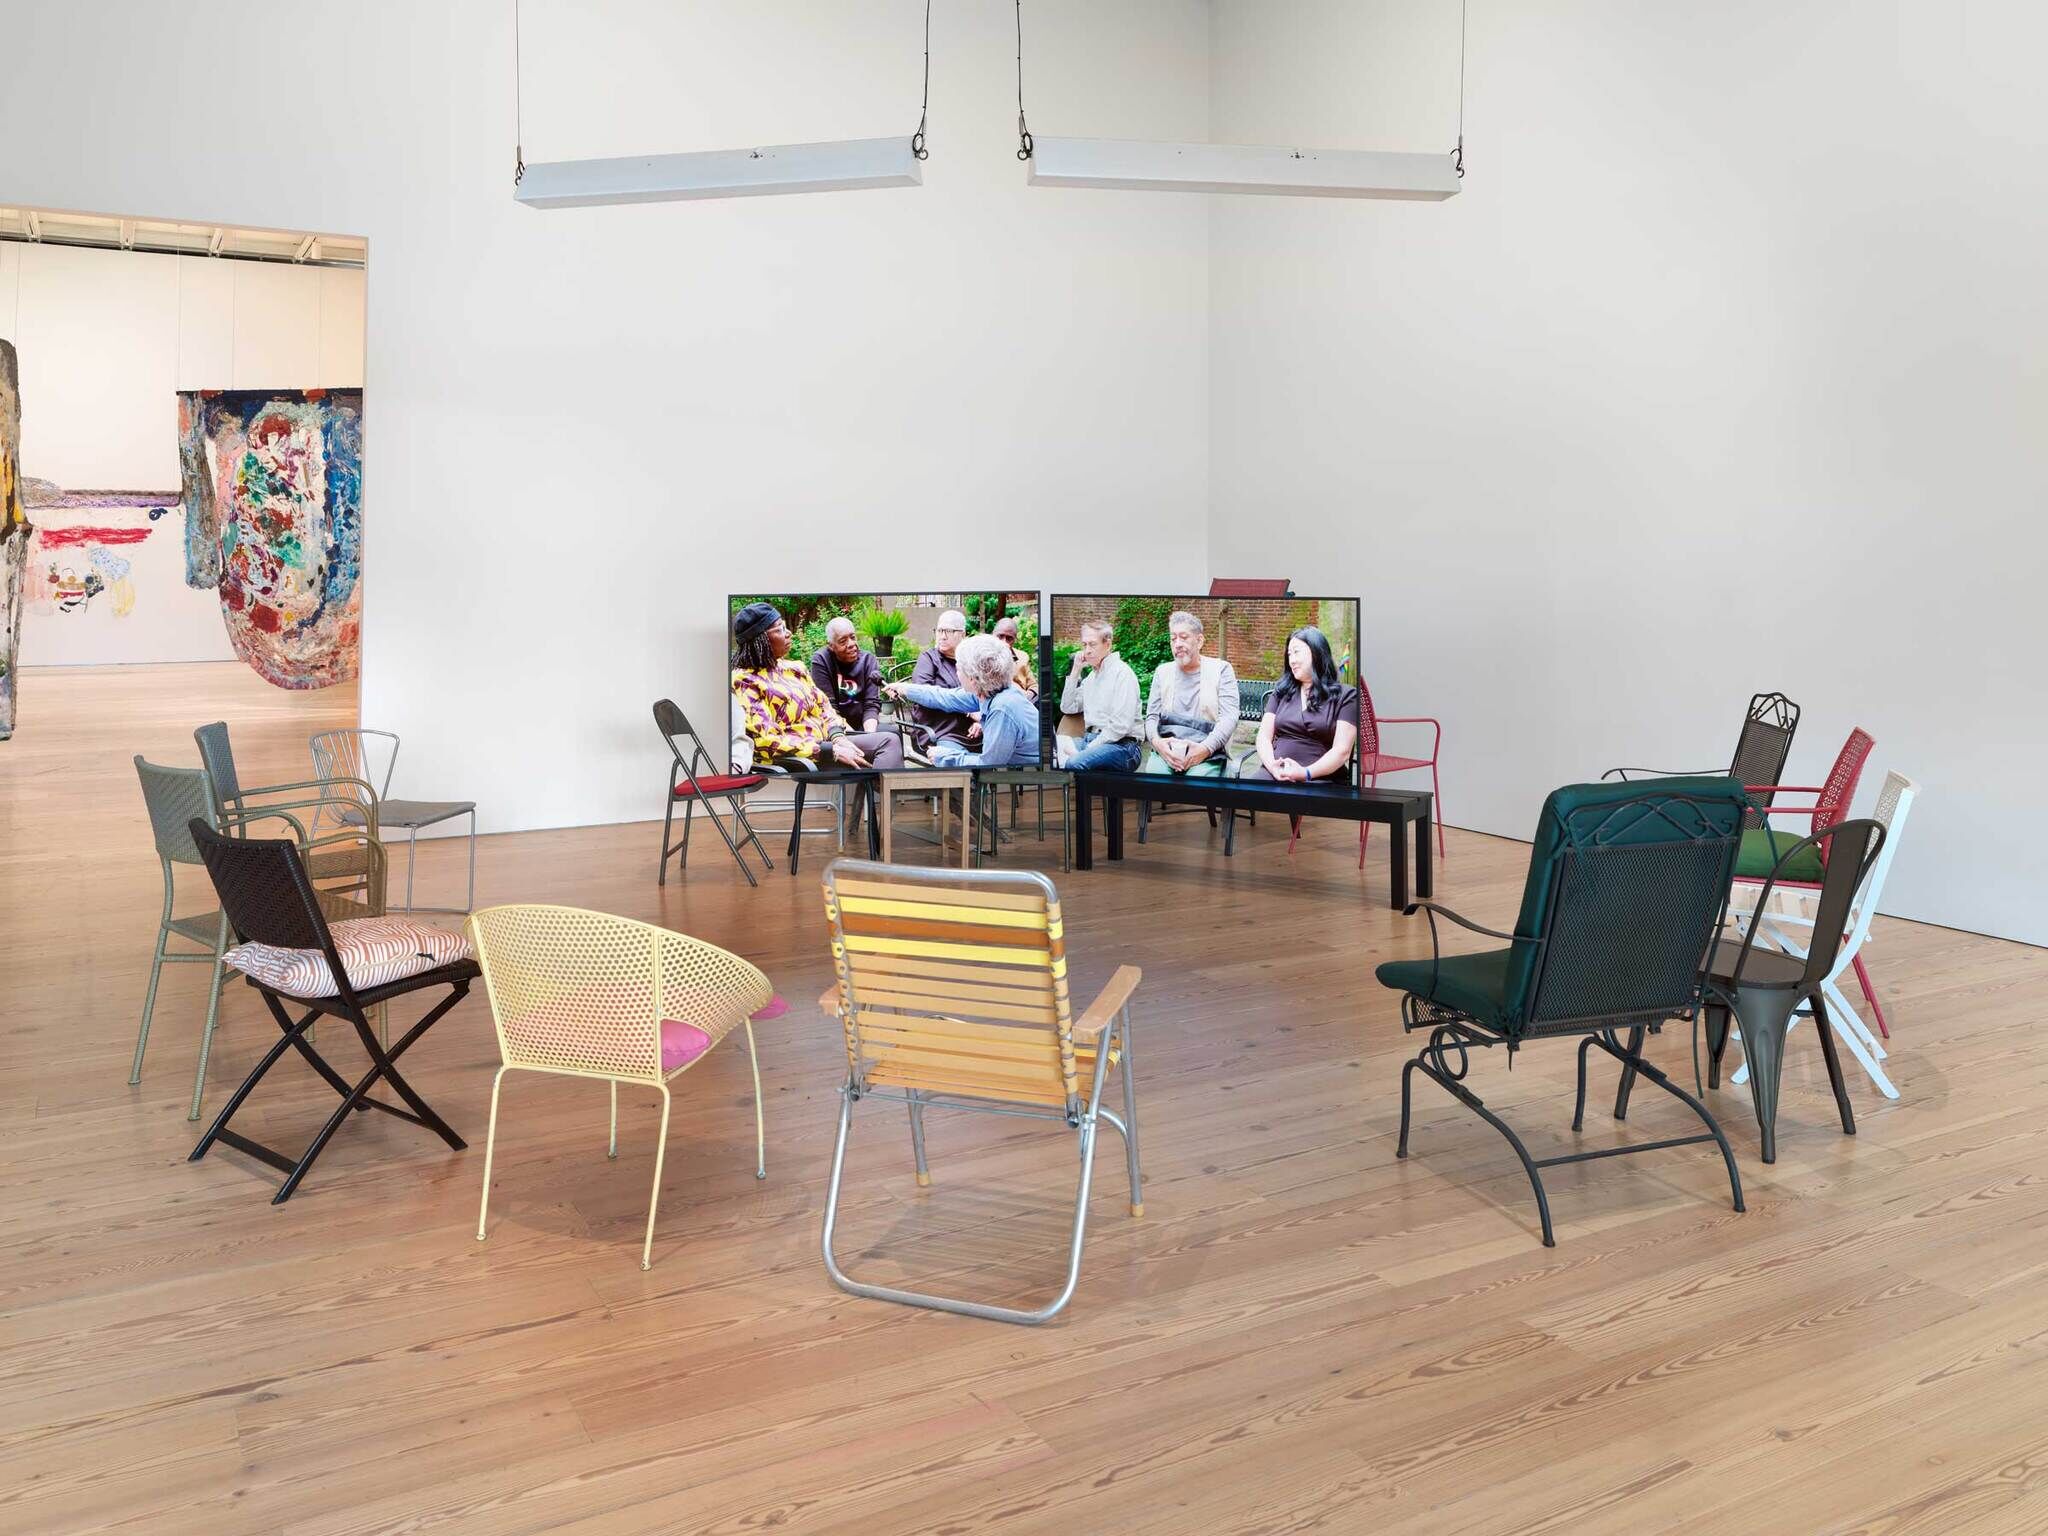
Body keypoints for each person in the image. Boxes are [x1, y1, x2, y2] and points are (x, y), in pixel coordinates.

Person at [729, 602, 904, 772]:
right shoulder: (745, 681)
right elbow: (764, 740)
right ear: (760, 640)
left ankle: (875, 798)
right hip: (805, 756)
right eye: (780, 629)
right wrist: (829, 751)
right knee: (887, 744)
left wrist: (838, 736)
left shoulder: (795, 668)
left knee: (889, 739)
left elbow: (824, 707)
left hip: (829, 743)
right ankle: (878, 798)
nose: (789, 633)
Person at [884, 634, 1039, 768]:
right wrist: (905, 688)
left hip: (1038, 769)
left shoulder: (1002, 709)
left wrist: (945, 757)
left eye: (958, 668)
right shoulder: (990, 690)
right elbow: (944, 696)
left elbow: (989, 763)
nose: (956, 671)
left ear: (973, 678)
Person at [1242, 626, 1358, 782]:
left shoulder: (1346, 695)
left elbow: (1342, 750)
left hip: (1320, 777)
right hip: (1276, 772)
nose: (1292, 660)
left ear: (1317, 652)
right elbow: (1263, 736)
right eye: (1289, 654)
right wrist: (1272, 766)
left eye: (1296, 652)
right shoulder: (1281, 691)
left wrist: (1306, 773)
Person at [1141, 609, 1239, 776]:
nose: (1177, 643)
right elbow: (1151, 717)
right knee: (1153, 779)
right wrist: (1158, 743)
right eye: (1173, 638)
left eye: (1184, 637)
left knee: (1197, 781)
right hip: (1167, 749)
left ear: (1199, 640)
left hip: (1208, 749)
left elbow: (1229, 717)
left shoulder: (1221, 669)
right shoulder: (1162, 672)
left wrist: (1205, 748)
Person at [1058, 618, 1143, 771]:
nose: (1087, 650)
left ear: (1108, 645)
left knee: (1074, 762)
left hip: (1123, 746)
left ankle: (1078, 759)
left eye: (1092, 644)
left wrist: (1087, 750)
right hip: (1092, 740)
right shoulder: (1091, 678)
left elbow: (1120, 727)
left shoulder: (1122, 674)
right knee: (1055, 749)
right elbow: (1068, 707)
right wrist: (1076, 670)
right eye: (1084, 645)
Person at [906, 609, 978, 759]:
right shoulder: (929, 659)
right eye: (939, 630)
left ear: (963, 634)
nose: (942, 636)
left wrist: (983, 722)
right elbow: (923, 693)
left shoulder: (971, 661)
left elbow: (985, 694)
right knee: (956, 760)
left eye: (948, 631)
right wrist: (970, 712)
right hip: (940, 730)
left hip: (972, 729)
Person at [808, 616, 882, 734]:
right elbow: (828, 708)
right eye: (843, 641)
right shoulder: (821, 660)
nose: (852, 644)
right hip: (834, 727)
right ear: (831, 646)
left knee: (893, 735)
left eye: (853, 637)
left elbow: (871, 704)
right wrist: (853, 737)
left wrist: (869, 736)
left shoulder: (868, 660)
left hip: (864, 724)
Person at [991, 614, 1037, 697]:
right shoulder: (983, 657)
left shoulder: (1022, 657)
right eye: (1000, 636)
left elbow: (1034, 686)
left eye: (1009, 638)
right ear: (993, 635)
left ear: (1015, 640)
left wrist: (1028, 696)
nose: (1004, 642)